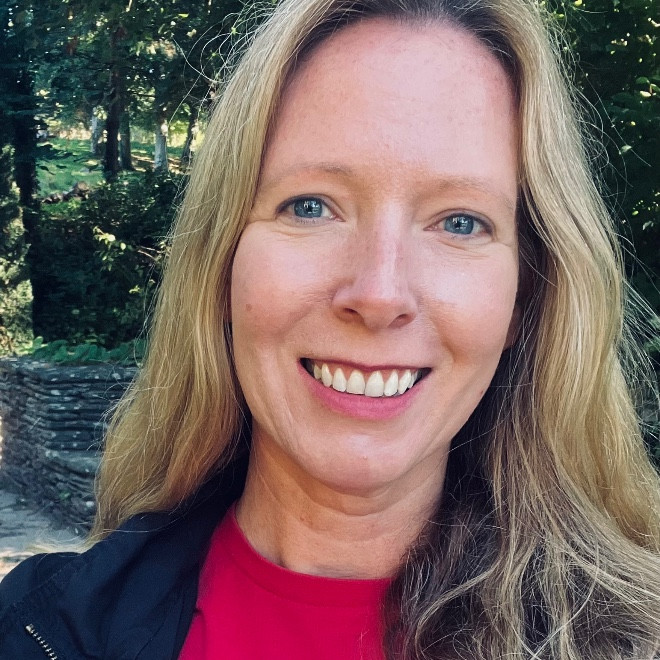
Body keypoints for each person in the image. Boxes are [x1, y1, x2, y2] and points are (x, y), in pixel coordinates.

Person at [2, 0, 660, 657]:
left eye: (460, 222)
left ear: (525, 297)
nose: (379, 294)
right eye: (311, 207)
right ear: (223, 265)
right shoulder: (40, 630)